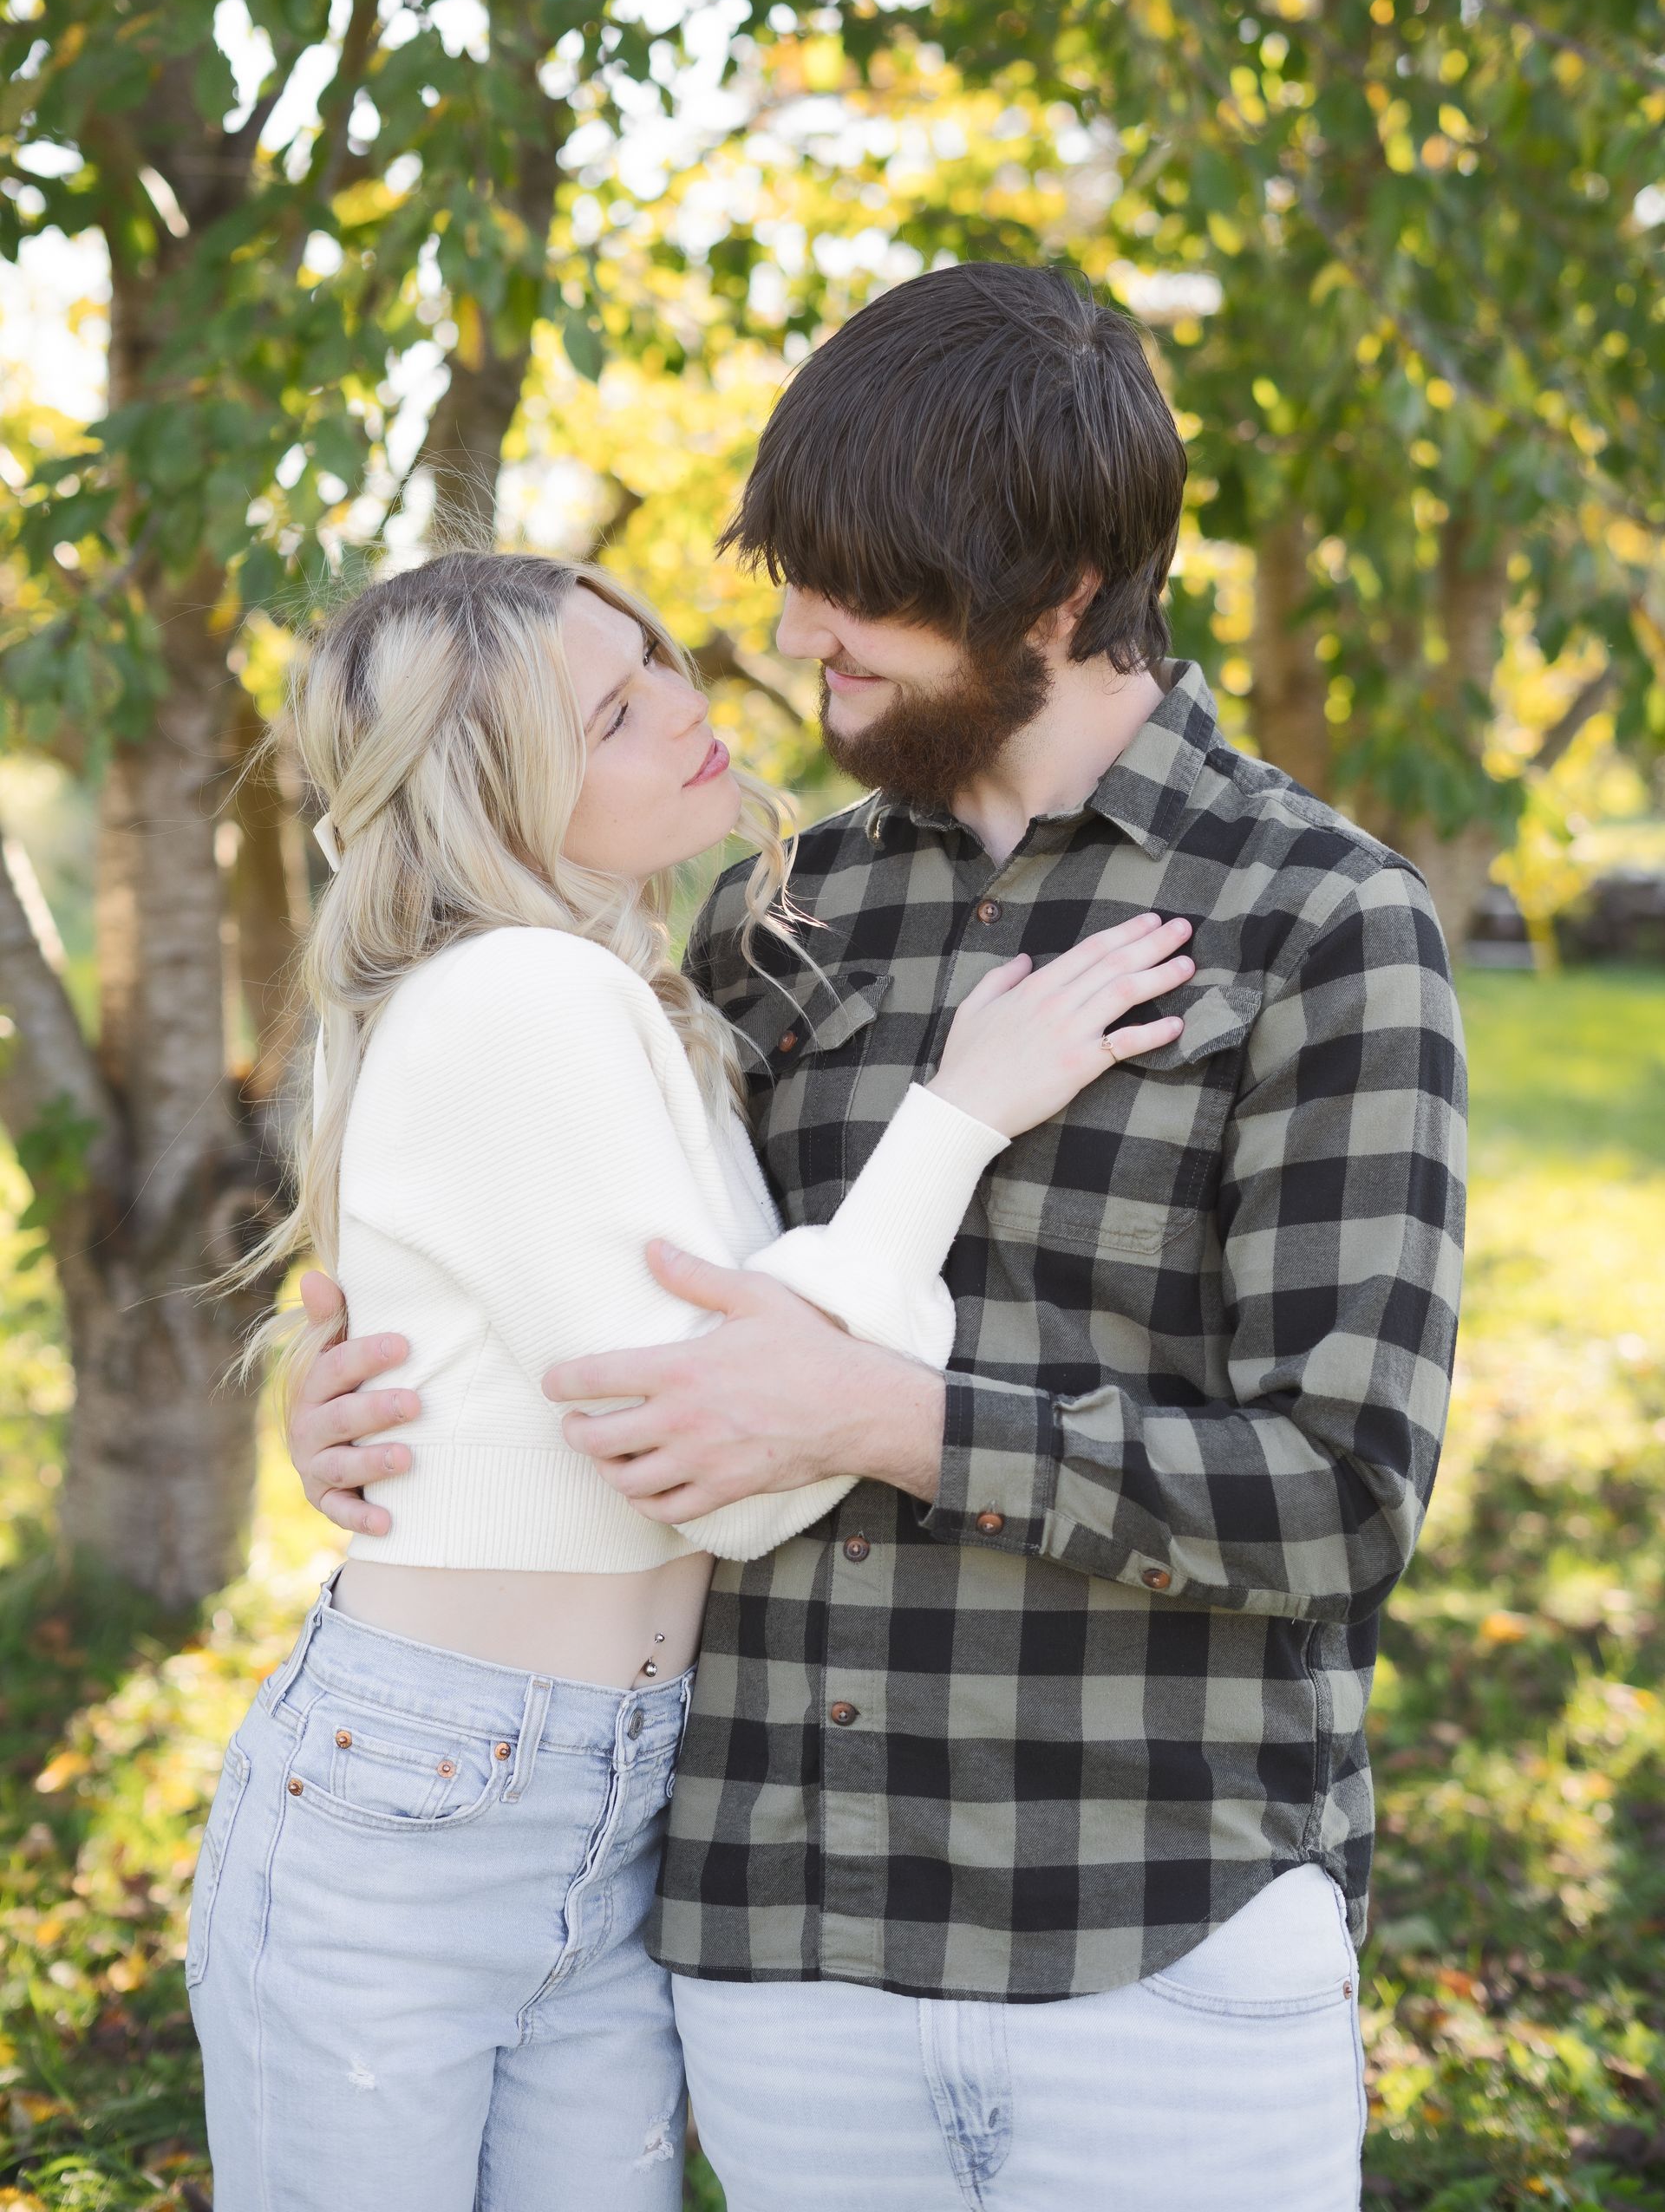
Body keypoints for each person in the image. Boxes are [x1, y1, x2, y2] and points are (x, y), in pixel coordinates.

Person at [290, 264, 1466, 2211]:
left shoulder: (1320, 926)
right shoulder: (767, 917)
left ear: (1062, 600)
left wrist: (880, 1414)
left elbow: (1337, 1499)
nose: (792, 638)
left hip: (1150, 1946)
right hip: (778, 1947)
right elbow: (545, 1259)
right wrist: (353, 1411)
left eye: (862, 594)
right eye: (790, 570)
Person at [186, 545, 1198, 2212]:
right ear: (494, 786)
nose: (686, 706)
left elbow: (722, 1387)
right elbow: (743, 1468)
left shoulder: (647, 993)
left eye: (657, 659)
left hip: (607, 1793)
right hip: (422, 1814)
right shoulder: (523, 996)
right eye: (612, 708)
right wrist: (960, 1116)